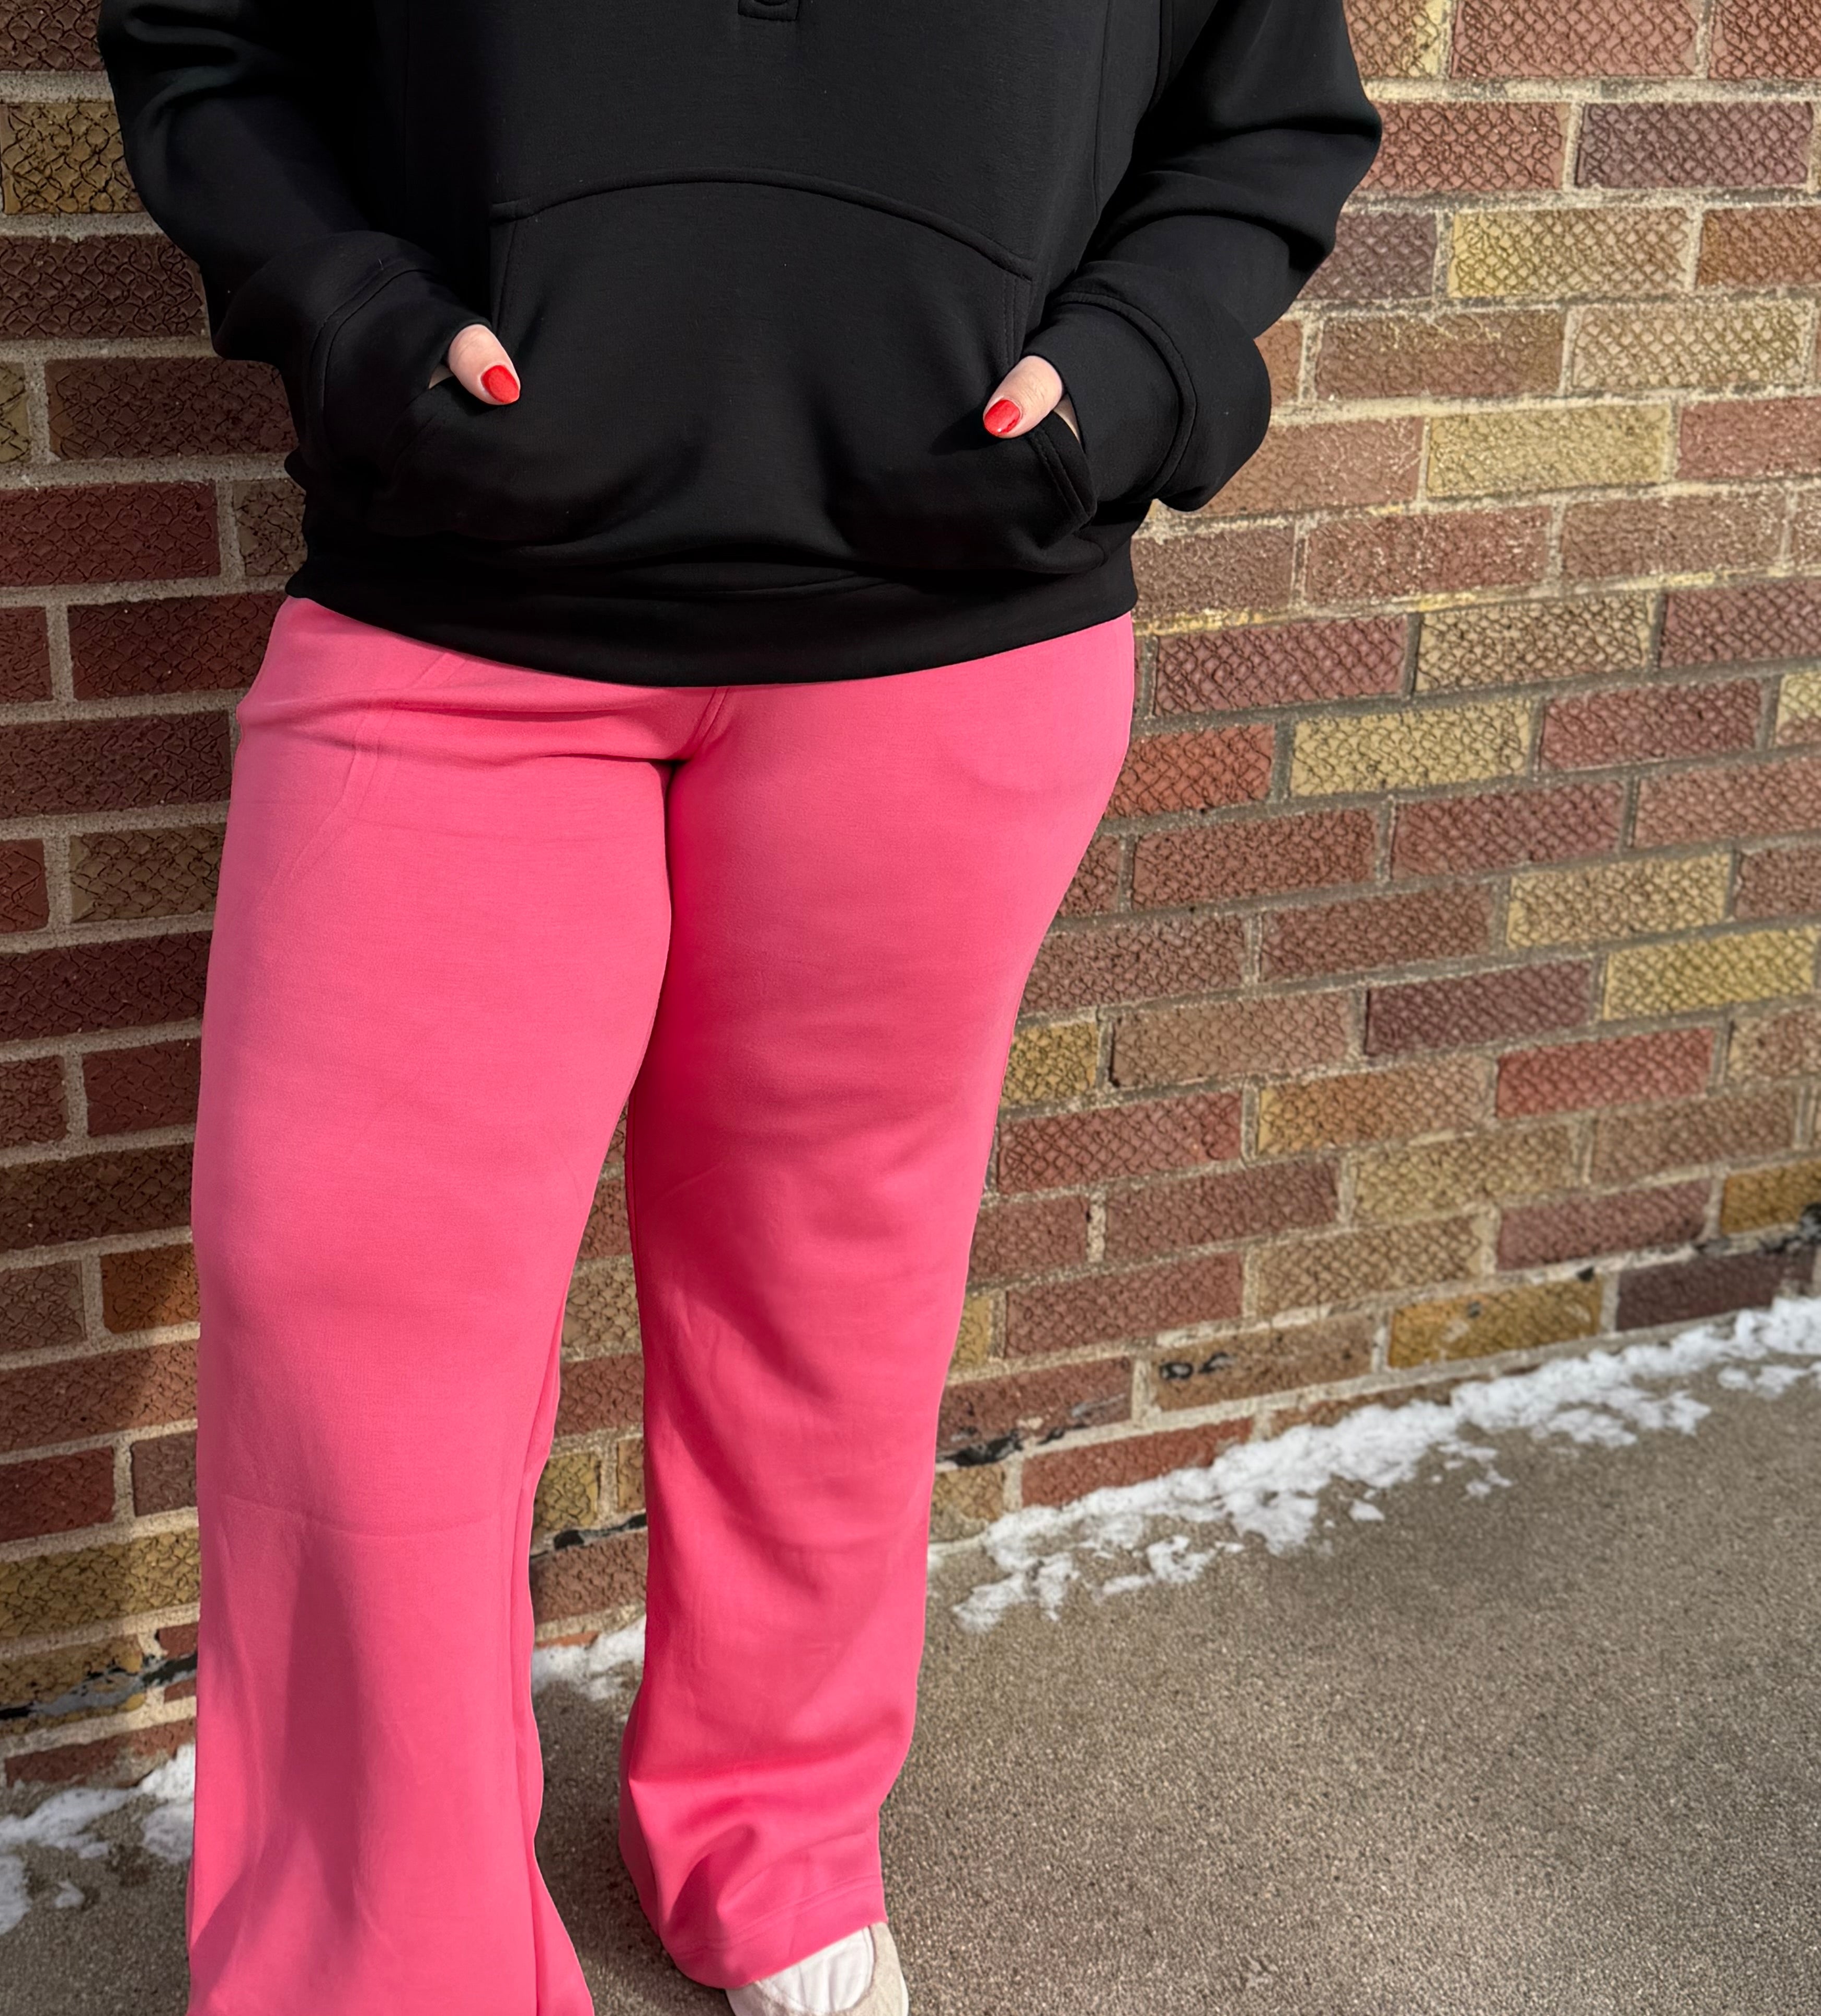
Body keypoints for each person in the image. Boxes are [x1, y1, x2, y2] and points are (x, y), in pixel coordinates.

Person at [96, 1, 1378, 2009]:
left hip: (949, 629)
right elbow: (209, 46)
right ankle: (382, 1965)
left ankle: (768, 1839)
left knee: (826, 1284)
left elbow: (1261, 118)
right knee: (340, 1295)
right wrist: (358, 324)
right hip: (458, 614)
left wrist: (1128, 371)